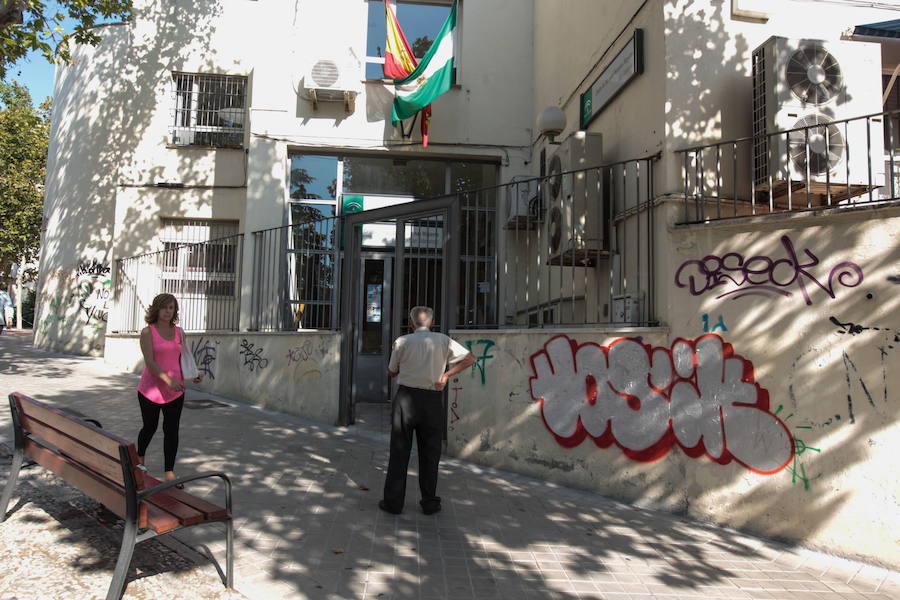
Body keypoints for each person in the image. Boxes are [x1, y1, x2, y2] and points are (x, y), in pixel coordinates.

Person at [380, 306, 475, 515]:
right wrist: (447, 374)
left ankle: (393, 503)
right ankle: (430, 502)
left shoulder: (402, 341)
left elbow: (392, 371)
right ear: (431, 323)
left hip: (405, 398)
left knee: (399, 451)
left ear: (411, 323)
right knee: (431, 454)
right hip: (432, 400)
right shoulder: (443, 340)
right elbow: (470, 358)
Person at [136, 293, 200, 487]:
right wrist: (167, 379)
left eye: (171, 308)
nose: (168, 311)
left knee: (171, 431)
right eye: (165, 307)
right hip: (151, 390)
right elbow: (150, 362)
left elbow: (183, 357)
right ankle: (139, 460)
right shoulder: (148, 332)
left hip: (176, 389)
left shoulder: (179, 332)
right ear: (157, 309)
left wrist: (192, 374)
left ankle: (169, 472)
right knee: (150, 427)